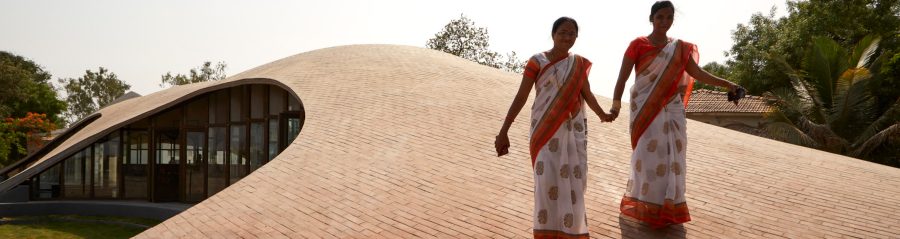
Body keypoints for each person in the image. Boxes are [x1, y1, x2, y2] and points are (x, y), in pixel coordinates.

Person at [607, 1, 742, 228]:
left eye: (669, 17)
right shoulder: (638, 44)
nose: (665, 21)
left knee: (672, 158)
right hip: (645, 108)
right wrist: (616, 105)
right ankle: (647, 206)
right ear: (651, 18)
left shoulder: (679, 47)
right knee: (648, 157)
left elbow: (698, 73)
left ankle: (668, 207)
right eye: (660, 17)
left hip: (673, 108)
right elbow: (622, 77)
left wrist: (727, 83)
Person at [495, 17, 611, 238]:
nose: (567, 37)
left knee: (573, 182)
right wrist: (504, 130)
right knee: (546, 181)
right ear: (553, 34)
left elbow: (586, 93)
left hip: (571, 131)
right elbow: (521, 96)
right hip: (544, 130)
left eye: (571, 33)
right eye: (562, 33)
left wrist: (602, 114)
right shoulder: (537, 61)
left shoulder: (577, 63)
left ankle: (571, 232)